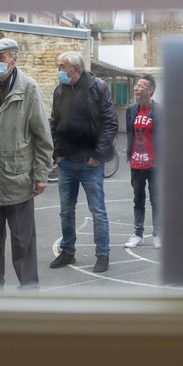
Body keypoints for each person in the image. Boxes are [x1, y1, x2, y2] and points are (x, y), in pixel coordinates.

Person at [0, 38, 52, 290]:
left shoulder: (28, 88)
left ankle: (29, 286)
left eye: (0, 58)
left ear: (14, 59)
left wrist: (40, 174)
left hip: (17, 177)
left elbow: (41, 135)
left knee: (23, 240)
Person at [48, 50, 118, 273]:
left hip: (90, 163)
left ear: (74, 69)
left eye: (61, 67)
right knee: (66, 211)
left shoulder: (97, 87)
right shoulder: (60, 90)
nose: (58, 70)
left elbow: (110, 123)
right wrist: (57, 154)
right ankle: (67, 252)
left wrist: (97, 155)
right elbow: (54, 123)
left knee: (98, 211)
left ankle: (102, 254)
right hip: (66, 162)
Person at [124, 73, 161, 248]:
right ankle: (138, 234)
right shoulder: (132, 109)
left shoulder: (160, 111)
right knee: (138, 200)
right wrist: (130, 156)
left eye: (140, 86)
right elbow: (130, 134)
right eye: (136, 86)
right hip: (136, 164)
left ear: (150, 90)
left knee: (156, 200)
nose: (136, 89)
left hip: (154, 165)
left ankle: (158, 234)